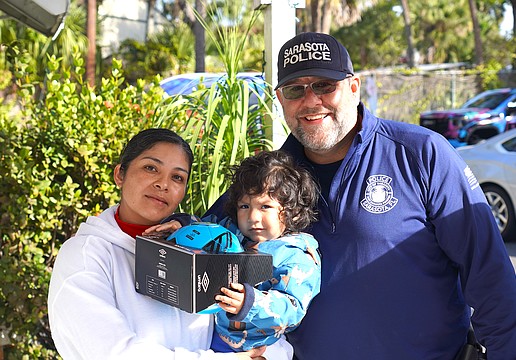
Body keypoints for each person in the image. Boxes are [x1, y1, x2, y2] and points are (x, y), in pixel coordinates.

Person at [206, 32, 516, 359]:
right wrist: (179, 226)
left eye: (325, 86)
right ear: (281, 100)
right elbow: (206, 236)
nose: (311, 101)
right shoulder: (268, 178)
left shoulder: (421, 154)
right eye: (296, 89)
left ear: (354, 88)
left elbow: (492, 280)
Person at [47, 128, 292, 359]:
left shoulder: (206, 246)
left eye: (177, 177)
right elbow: (112, 352)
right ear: (120, 174)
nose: (163, 184)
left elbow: (258, 331)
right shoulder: (84, 256)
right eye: (151, 168)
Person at [208, 150, 321, 353]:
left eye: (265, 206)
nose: (253, 216)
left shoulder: (295, 256)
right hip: (210, 336)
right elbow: (205, 230)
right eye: (244, 206)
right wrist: (181, 225)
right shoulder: (232, 233)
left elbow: (292, 308)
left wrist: (250, 302)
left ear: (292, 212)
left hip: (256, 348)